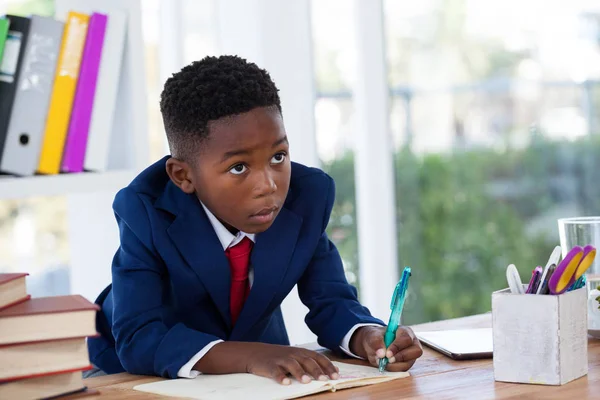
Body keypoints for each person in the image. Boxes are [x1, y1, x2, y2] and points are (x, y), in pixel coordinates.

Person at [87, 55, 423, 384]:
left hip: (258, 371)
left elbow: (331, 300)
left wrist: (368, 335)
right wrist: (252, 356)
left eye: (278, 156)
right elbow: (140, 338)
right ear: (182, 176)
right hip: (134, 372)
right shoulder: (145, 211)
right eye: (239, 167)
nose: (269, 185)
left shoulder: (305, 199)